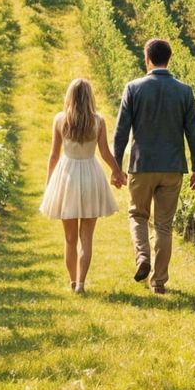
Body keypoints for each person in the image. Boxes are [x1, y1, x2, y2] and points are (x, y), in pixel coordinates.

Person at [112, 37, 195, 293]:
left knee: (137, 215)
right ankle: (159, 282)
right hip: (173, 166)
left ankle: (142, 257)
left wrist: (116, 166)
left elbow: (121, 131)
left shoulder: (133, 88)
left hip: (141, 165)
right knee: (164, 224)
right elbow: (193, 133)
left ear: (147, 59)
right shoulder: (184, 91)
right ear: (169, 59)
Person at [38, 75, 120, 291]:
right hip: (91, 175)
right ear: (90, 97)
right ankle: (81, 283)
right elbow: (104, 153)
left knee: (70, 238)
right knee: (87, 238)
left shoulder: (60, 120)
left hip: (67, 177)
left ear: (70, 97)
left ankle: (72, 281)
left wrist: (49, 186)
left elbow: (54, 156)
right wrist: (117, 171)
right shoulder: (98, 121)